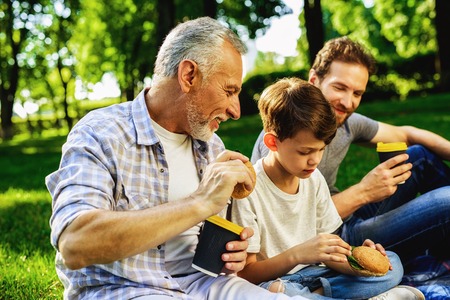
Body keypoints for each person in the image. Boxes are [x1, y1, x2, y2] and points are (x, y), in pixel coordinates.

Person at [46, 17, 309, 300]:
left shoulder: (211, 145)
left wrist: (229, 255)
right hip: (127, 289)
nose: (235, 110)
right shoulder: (100, 133)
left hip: (205, 286)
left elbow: (207, 252)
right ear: (189, 76)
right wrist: (200, 202)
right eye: (229, 90)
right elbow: (75, 243)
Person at [251, 36, 450, 264]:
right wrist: (365, 191)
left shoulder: (346, 121)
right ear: (314, 79)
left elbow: (406, 134)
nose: (348, 102)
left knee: (419, 157)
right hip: (332, 238)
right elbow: (289, 226)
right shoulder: (281, 142)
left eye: (357, 94)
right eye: (340, 88)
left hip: (350, 216)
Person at [231, 77, 425, 300]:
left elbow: (329, 253)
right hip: (277, 282)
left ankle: (320, 295)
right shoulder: (247, 189)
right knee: (272, 295)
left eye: (321, 150)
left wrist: (356, 259)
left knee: (392, 264)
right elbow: (245, 275)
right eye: (305, 152)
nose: (315, 160)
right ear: (272, 143)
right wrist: (298, 255)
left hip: (317, 274)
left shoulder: (313, 179)